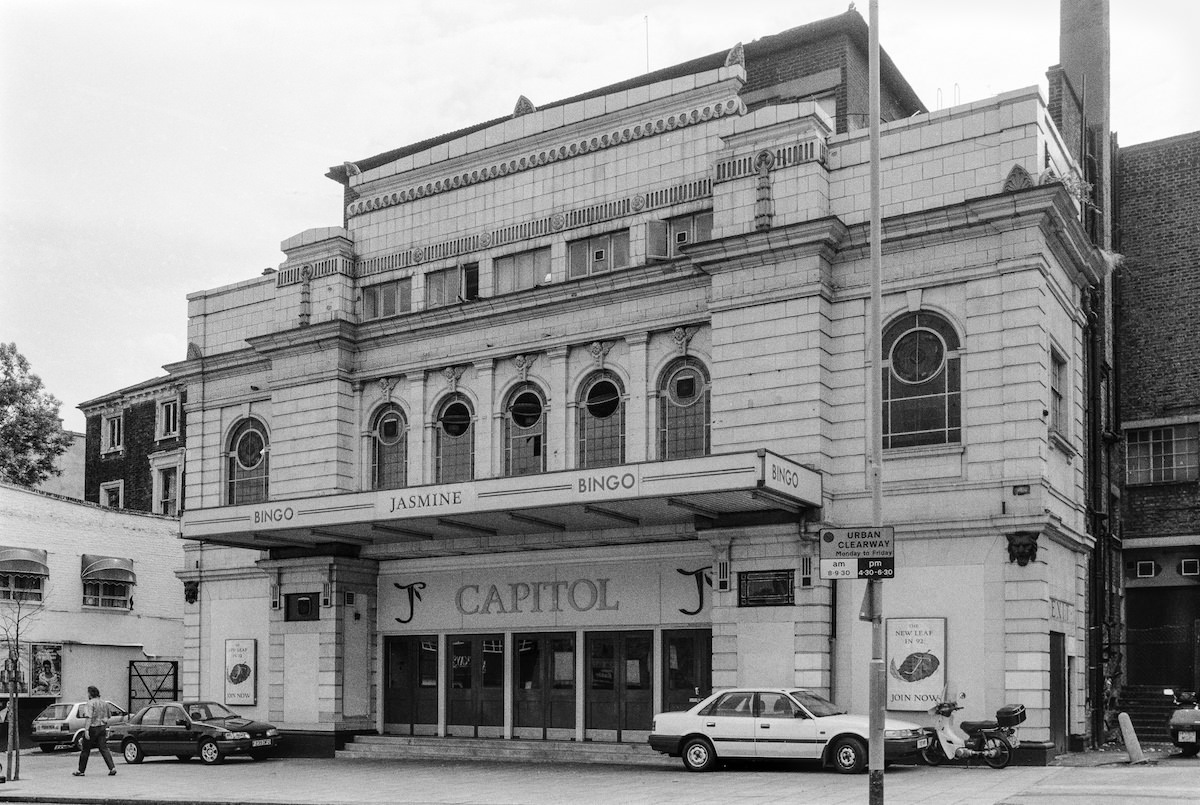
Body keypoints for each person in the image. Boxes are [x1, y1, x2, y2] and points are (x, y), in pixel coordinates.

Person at [73, 686, 115, 777]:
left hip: (93, 727)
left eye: (88, 693)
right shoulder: (104, 703)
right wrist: (104, 721)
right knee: (103, 748)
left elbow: (89, 717)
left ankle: (81, 770)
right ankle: (112, 767)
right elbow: (109, 715)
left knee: (85, 749)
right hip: (102, 727)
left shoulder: (90, 703)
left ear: (90, 694)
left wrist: (86, 730)